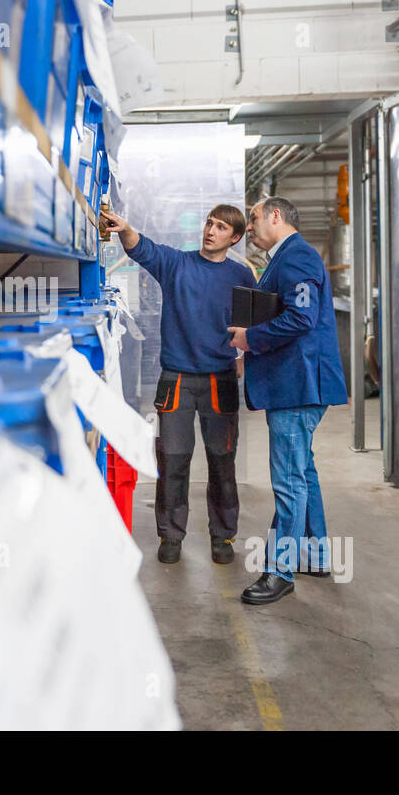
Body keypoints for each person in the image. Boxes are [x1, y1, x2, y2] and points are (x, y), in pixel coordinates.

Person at [102, 204, 257, 565]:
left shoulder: (242, 277)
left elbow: (252, 325)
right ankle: (170, 536)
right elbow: (142, 247)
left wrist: (241, 360)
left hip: (220, 379)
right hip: (177, 379)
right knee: (173, 459)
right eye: (209, 223)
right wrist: (124, 226)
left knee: (222, 462)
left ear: (234, 238)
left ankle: (223, 536)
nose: (211, 231)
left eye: (220, 227)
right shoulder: (176, 264)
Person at [227, 197, 348, 606]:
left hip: (296, 386)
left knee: (289, 480)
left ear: (276, 216)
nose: (250, 226)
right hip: (293, 383)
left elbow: (301, 318)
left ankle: (279, 571)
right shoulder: (288, 258)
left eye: (255, 218)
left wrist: (250, 339)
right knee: (303, 471)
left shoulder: (296, 257)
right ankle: (315, 555)